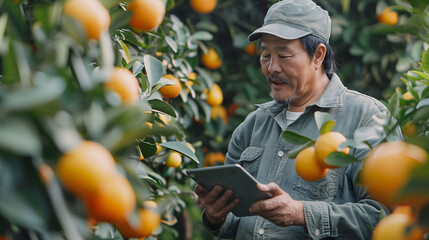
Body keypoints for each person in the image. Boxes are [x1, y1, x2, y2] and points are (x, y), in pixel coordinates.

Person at [194, 0, 400, 239]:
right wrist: (216, 216)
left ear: (318, 56)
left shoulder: (367, 118)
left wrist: (301, 213)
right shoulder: (252, 125)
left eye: (284, 55)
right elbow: (232, 226)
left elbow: (388, 217)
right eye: (265, 55)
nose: (272, 67)